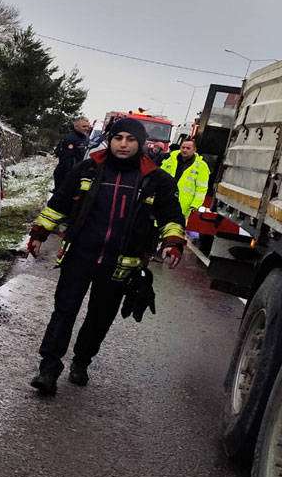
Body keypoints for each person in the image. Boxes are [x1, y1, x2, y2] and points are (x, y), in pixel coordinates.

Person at [25, 118, 186, 394]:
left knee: (99, 318)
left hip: (120, 266)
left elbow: (171, 216)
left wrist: (172, 242)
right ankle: (48, 368)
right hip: (79, 256)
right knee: (64, 312)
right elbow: (59, 203)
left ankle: (82, 361)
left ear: (141, 143)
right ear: (109, 140)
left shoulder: (156, 180)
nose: (123, 144)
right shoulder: (88, 169)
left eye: (130, 139)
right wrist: (39, 233)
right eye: (118, 138)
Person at [159, 139, 211, 220]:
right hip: (164, 202)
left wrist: (195, 205)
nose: (184, 150)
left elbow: (201, 189)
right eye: (183, 147)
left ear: (194, 150)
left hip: (183, 207)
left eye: (188, 148)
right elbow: (159, 178)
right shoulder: (170, 160)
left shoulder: (201, 166)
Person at [52, 117, 93, 193]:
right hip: (66, 174)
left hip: (79, 173)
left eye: (88, 126)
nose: (87, 128)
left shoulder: (86, 138)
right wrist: (72, 175)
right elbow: (66, 161)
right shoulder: (69, 139)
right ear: (76, 127)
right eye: (84, 126)